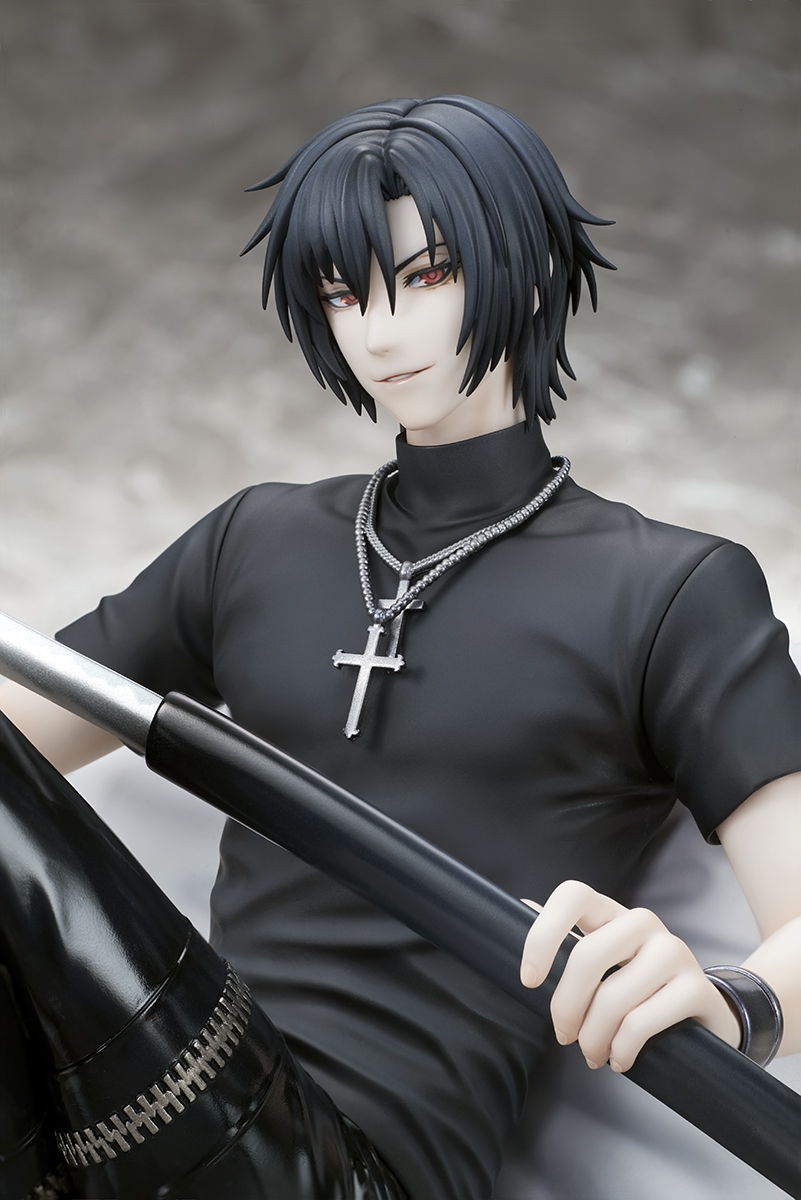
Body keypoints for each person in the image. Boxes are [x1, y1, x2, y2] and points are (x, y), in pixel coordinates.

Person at [2, 96, 799, 1200]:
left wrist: (734, 1001)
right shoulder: (256, 540)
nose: (379, 331)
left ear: (527, 273)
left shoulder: (672, 591)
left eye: (428, 277)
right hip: (98, 1125)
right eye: (344, 291)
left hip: (345, 1169)